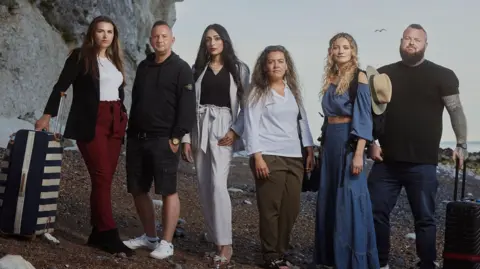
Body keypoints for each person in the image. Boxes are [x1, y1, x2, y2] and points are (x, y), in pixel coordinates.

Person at [367, 24, 468, 269]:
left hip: (423, 162)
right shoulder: (383, 75)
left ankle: (426, 263)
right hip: (387, 161)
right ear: (401, 42)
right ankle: (380, 262)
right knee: (375, 212)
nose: (411, 43)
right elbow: (370, 114)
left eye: (417, 40)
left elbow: (455, 110)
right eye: (407, 39)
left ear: (425, 45)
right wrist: (371, 143)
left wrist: (461, 144)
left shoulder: (442, 75)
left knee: (425, 218)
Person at [35, 16, 133, 256]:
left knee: (105, 179)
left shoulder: (114, 61)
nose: (105, 36)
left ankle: (97, 233)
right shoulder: (80, 56)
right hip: (91, 122)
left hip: (115, 122)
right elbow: (61, 86)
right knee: (100, 175)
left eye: (110, 32)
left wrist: (124, 117)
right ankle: (109, 234)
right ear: (92, 33)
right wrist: (47, 115)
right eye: (101, 31)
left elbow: (118, 93)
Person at [122, 20, 196, 260]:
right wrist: (130, 134)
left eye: (164, 36)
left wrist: (177, 137)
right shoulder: (144, 66)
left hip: (164, 139)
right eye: (156, 36)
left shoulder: (181, 68)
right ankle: (149, 236)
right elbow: (137, 102)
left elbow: (187, 108)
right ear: (151, 40)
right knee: (138, 189)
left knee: (167, 190)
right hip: (137, 138)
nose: (160, 40)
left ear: (172, 39)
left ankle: (166, 242)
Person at [180, 23, 250, 267]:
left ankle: (226, 244)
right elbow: (188, 106)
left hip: (223, 130)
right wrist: (187, 139)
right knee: (204, 185)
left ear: (225, 41)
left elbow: (246, 106)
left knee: (219, 185)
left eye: (217, 38)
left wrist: (235, 130)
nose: (212, 42)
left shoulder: (239, 69)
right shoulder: (197, 69)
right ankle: (215, 239)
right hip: (200, 127)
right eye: (208, 39)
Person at [312, 33, 382, 269]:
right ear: (330, 51)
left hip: (348, 142)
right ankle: (331, 258)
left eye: (345, 47)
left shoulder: (359, 77)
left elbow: (364, 118)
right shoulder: (330, 77)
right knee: (330, 197)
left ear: (353, 51)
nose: (340, 51)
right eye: (336, 47)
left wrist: (360, 153)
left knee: (350, 199)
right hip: (330, 142)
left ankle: (352, 260)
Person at [244, 45, 314, 269]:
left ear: (287, 65)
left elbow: (302, 120)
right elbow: (251, 125)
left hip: (294, 157)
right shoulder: (258, 91)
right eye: (271, 61)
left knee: (291, 209)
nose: (276, 65)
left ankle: (281, 251)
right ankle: (271, 255)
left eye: (280, 61)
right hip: (269, 155)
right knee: (270, 208)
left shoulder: (292, 90)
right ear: (264, 66)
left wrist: (309, 148)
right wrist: (257, 156)